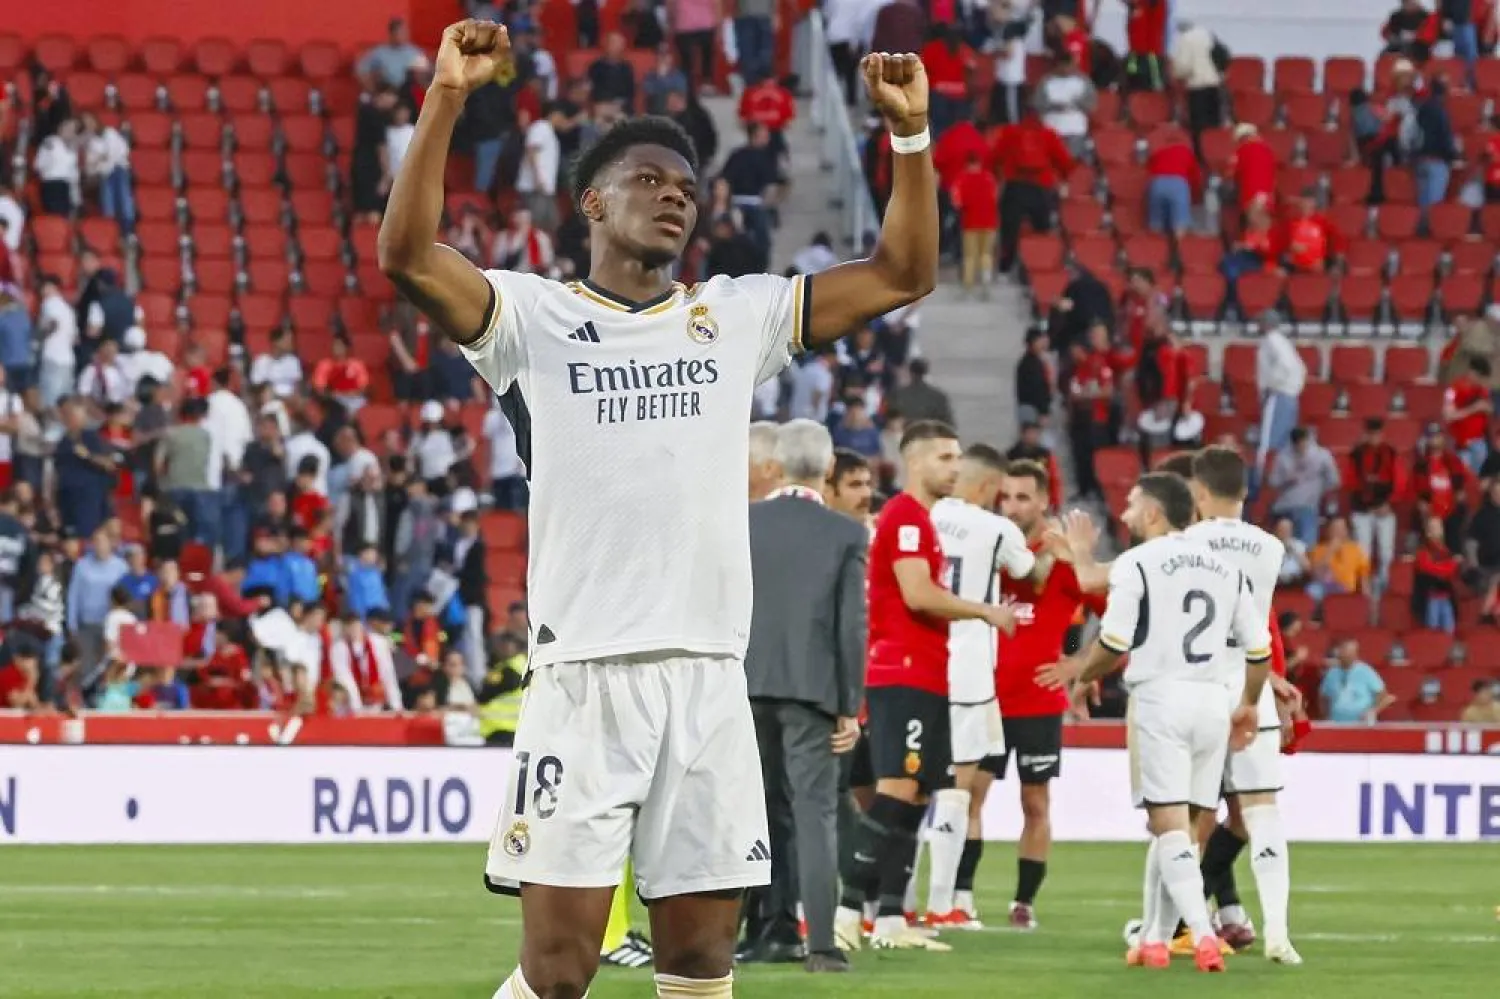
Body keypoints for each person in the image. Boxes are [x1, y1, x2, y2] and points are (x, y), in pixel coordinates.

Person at [376, 21, 939, 999]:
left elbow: (902, 274)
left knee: (698, 961)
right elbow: (409, 255)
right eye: (650, 179)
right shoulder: (531, 319)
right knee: (558, 971)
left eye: (688, 187)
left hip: (709, 677)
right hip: (583, 677)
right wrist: (446, 98)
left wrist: (911, 140)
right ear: (593, 199)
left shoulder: (735, 316)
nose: (676, 194)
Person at [1042, 473, 1271, 972]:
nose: (1123, 515)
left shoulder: (1138, 562)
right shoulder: (1224, 568)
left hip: (1161, 699)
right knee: (1185, 828)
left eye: (1130, 506)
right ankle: (1154, 939)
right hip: (1214, 702)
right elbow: (1259, 649)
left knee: (1166, 824)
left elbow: (1114, 641)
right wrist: (1250, 703)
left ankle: (1204, 937)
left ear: (1152, 513)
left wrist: (1080, 672)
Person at [832, 421, 1016, 953]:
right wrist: (984, 610)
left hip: (929, 674)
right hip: (903, 673)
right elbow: (916, 593)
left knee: (917, 795)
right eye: (945, 457)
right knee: (894, 791)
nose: (955, 467)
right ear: (915, 462)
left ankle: (891, 917)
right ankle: (848, 910)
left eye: (957, 457)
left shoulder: (923, 520)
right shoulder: (906, 518)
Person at [741, 420, 868, 972]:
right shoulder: (844, 533)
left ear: (778, 464)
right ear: (829, 469)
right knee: (815, 814)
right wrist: (849, 704)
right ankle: (820, 945)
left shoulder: (742, 521)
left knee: (747, 815)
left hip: (743, 686)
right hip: (812, 689)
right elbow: (850, 628)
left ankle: (730, 936)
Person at [1180, 447, 1301, 964]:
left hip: (1197, 685)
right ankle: (1277, 931)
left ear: (1198, 493)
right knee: (1261, 811)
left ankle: (1179, 926)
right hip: (1251, 682)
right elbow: (1258, 626)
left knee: (1190, 817)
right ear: (1246, 492)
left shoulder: (1181, 544)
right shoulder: (1270, 547)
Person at [921, 444, 1043, 929]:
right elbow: (1027, 571)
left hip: (918, 668)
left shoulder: (919, 515)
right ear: (990, 486)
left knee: (905, 787)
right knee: (957, 787)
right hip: (968, 673)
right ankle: (942, 903)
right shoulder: (996, 529)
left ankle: (887, 904)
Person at [979, 458, 1087, 930]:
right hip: (984, 698)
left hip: (1038, 704)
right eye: (1006, 496)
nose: (1013, 505)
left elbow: (1127, 618)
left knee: (1035, 803)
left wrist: (1078, 666)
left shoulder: (1065, 560)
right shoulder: (987, 550)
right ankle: (958, 897)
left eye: (1023, 497)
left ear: (1044, 501)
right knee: (967, 797)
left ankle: (1023, 903)